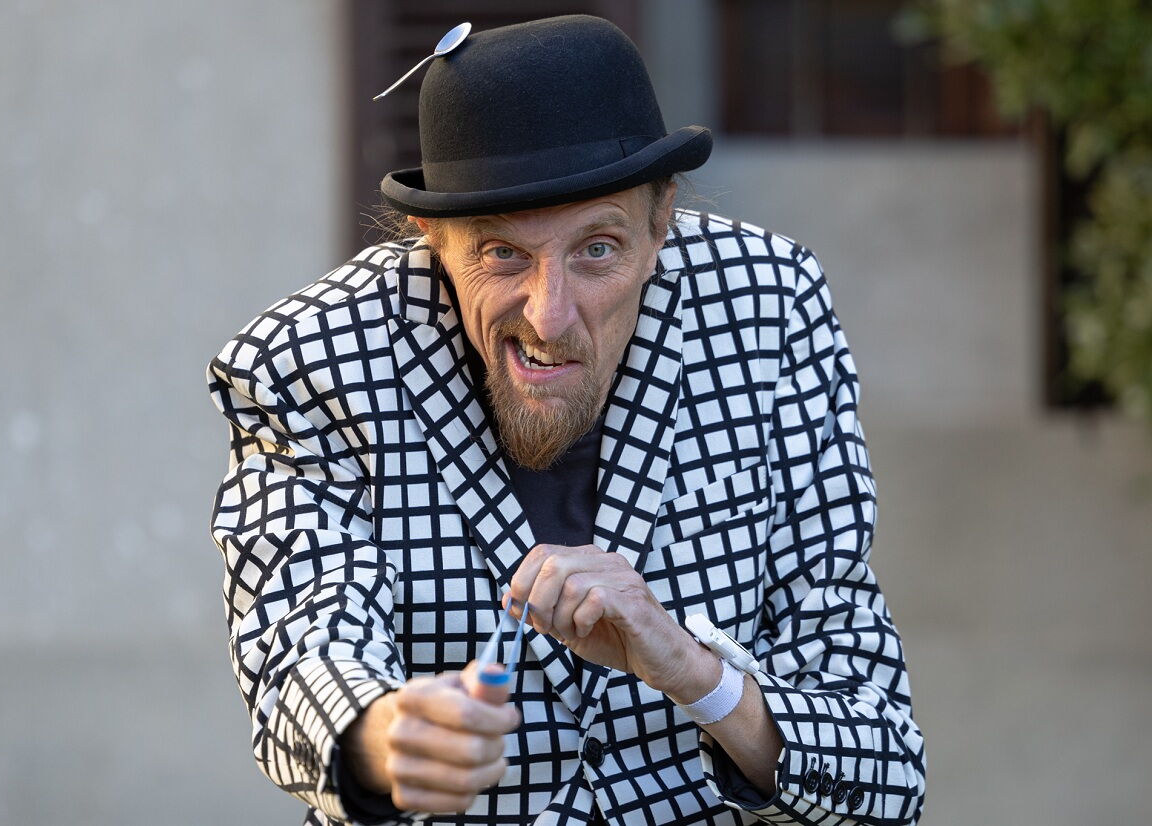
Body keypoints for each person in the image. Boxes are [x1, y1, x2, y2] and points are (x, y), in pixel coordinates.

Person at [207, 14, 925, 826]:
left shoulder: (769, 308)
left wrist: (694, 672)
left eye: (597, 249)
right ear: (432, 238)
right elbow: (302, 659)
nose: (549, 317)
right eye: (502, 253)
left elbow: (883, 772)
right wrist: (386, 740)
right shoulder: (310, 361)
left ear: (662, 223)